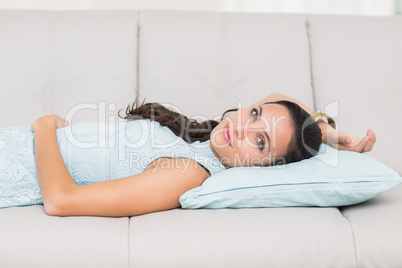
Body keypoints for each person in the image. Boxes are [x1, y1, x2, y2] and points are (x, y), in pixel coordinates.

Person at [3, 93, 376, 217]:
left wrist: (44, 128)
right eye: (255, 114)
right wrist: (323, 133)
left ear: (264, 169)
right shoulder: (193, 141)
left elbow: (61, 201)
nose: (243, 126)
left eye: (260, 143)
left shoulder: (190, 172)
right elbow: (282, 102)